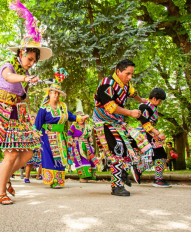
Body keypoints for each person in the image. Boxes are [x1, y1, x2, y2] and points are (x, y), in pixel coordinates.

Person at [0, 0, 52, 205]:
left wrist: (29, 83)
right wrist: (25, 78)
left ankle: (3, 178)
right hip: (2, 110)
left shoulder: (26, 74)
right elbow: (8, 78)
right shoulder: (9, 66)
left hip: (18, 112)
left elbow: (22, 95)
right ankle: (0, 193)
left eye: (34, 61)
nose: (32, 63)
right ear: (22, 53)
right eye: (30, 59)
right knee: (12, 152)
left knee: (28, 153)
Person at [93, 59, 148, 196]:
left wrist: (141, 100)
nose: (130, 77)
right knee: (117, 148)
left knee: (135, 144)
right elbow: (111, 107)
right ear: (118, 71)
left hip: (118, 122)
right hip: (103, 122)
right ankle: (116, 186)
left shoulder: (125, 84)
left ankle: (123, 172)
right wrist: (130, 112)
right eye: (127, 74)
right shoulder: (107, 84)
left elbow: (133, 92)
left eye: (131, 74)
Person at [35, 67, 89, 189]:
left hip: (60, 136)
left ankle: (59, 181)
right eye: (54, 93)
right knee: (49, 157)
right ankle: (52, 180)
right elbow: (38, 124)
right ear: (49, 94)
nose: (56, 95)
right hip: (47, 136)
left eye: (57, 93)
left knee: (61, 157)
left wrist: (81, 118)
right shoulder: (44, 108)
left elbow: (71, 117)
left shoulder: (62, 107)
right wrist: (36, 138)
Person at [137, 87, 171, 187]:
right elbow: (145, 123)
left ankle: (139, 170)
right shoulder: (144, 106)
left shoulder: (153, 107)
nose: (160, 103)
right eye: (160, 100)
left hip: (151, 134)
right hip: (145, 134)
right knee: (160, 154)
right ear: (155, 98)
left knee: (154, 157)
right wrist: (158, 133)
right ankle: (158, 179)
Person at [67, 100, 99, 183]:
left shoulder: (88, 126)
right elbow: (69, 135)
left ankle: (88, 176)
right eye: (79, 117)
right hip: (77, 146)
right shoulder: (73, 126)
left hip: (86, 145)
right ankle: (82, 177)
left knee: (90, 159)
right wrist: (72, 142)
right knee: (81, 160)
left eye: (82, 117)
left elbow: (89, 136)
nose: (81, 119)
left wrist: (90, 138)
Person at [24, 113, 42, 183]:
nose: (32, 120)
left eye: (33, 119)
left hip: (37, 147)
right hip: (30, 146)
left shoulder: (37, 127)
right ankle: (27, 177)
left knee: (41, 162)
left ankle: (40, 175)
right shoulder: (28, 127)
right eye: (30, 119)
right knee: (29, 163)